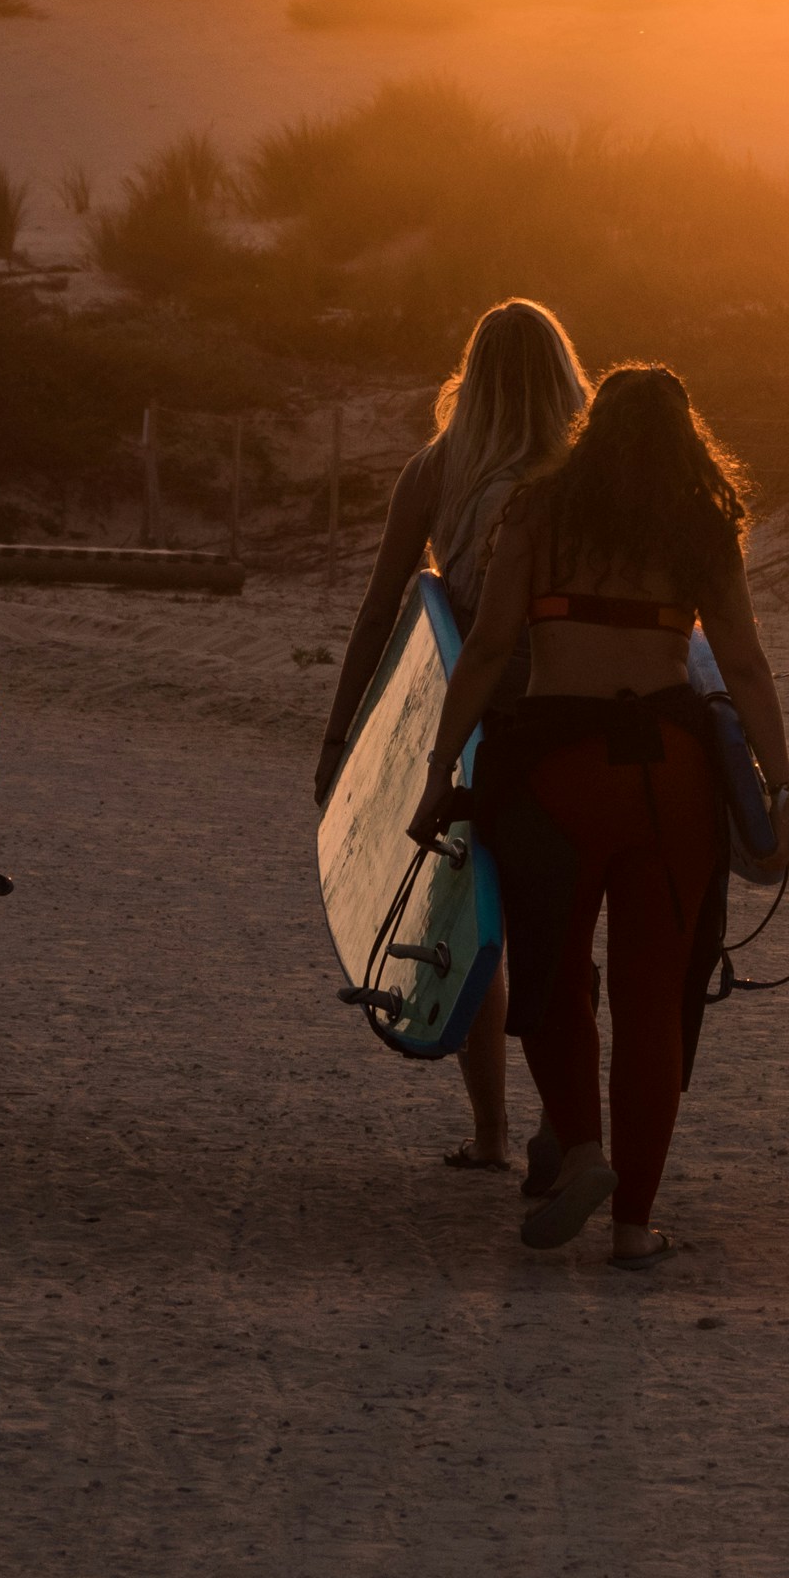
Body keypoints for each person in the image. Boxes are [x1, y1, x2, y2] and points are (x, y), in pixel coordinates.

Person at [414, 364, 789, 1270]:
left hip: (556, 770)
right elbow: (742, 666)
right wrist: (779, 783)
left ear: (593, 433)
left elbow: (490, 649)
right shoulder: (700, 524)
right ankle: (633, 1225)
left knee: (550, 973)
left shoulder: (539, 512)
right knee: (653, 997)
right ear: (683, 438)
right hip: (668, 779)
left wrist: (437, 766)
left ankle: (581, 1149)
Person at [314, 298, 589, 1177]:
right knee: (565, 931)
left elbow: (380, 609)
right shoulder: (577, 479)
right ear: (561, 378)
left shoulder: (434, 471)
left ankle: (494, 1135)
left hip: (467, 733)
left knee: (477, 931)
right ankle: (566, 1125)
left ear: (471, 380)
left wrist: (339, 736)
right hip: (565, 720)